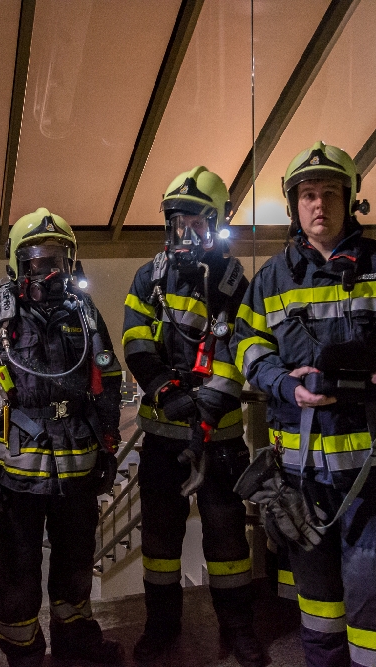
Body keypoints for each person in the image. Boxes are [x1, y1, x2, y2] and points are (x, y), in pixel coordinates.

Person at [231, 141, 376, 667]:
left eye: (330, 192)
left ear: (350, 200)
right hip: (301, 476)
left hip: (374, 477)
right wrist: (286, 386)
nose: (319, 204)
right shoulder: (271, 279)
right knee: (318, 604)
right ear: (293, 204)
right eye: (308, 194)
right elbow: (246, 346)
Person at [0, 208, 125, 667]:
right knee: (16, 574)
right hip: (14, 477)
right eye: (36, 259)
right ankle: (23, 655)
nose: (48, 268)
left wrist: (107, 446)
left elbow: (108, 379)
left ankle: (76, 643)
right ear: (17, 263)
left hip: (77, 470)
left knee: (76, 564)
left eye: (57, 257)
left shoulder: (85, 313)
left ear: (71, 261)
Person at [121, 167, 266, 666]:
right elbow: (135, 342)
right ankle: (161, 627)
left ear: (217, 222)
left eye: (196, 222)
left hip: (219, 440)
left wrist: (205, 406)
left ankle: (238, 629)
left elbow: (239, 351)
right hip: (162, 438)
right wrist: (166, 391)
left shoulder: (235, 283)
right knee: (160, 542)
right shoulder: (149, 277)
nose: (185, 231)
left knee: (227, 541)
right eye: (177, 221)